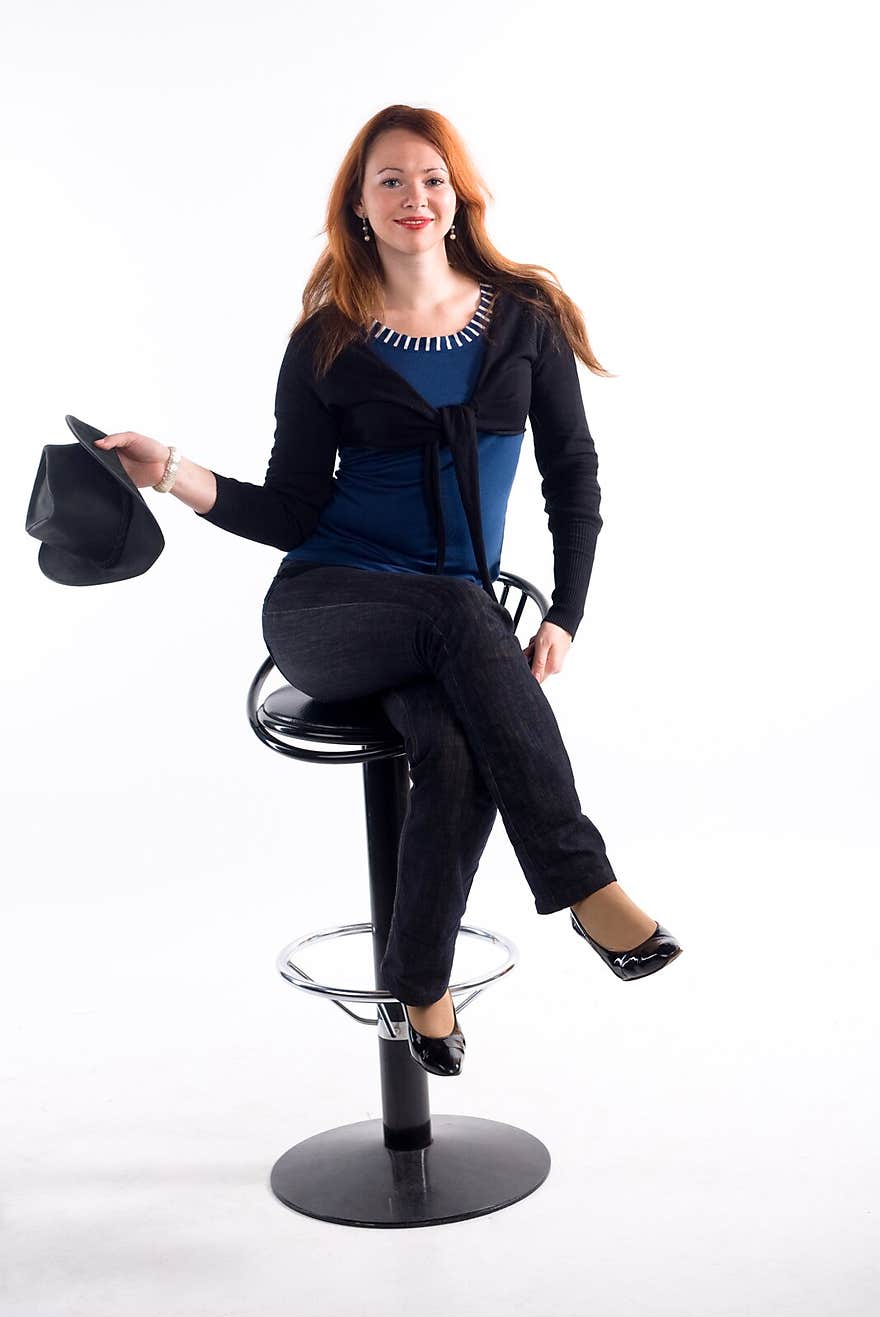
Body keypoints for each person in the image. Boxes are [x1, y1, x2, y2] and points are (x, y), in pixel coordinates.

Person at [94, 104, 683, 1078]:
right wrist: (170, 470)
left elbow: (571, 477)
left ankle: (420, 992)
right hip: (330, 608)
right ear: (358, 209)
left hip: (452, 623)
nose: (415, 196)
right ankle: (588, 889)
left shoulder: (523, 322)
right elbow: (288, 509)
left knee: (454, 746)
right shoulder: (327, 342)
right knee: (462, 608)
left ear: (459, 199)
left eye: (432, 179)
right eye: (391, 181)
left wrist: (567, 614)